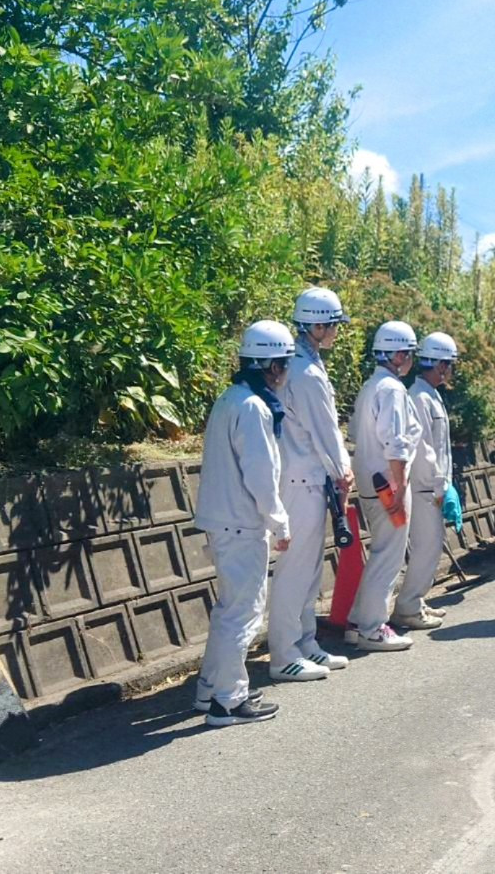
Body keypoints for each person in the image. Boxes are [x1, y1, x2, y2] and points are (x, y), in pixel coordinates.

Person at [192, 320, 293, 726]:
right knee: (243, 613)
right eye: (285, 364)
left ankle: (209, 689)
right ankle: (229, 701)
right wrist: (279, 523)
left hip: (223, 520)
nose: (286, 372)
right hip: (242, 522)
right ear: (271, 366)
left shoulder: (230, 398)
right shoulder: (254, 407)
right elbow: (261, 474)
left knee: (227, 610)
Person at [268, 287, 353, 684]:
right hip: (302, 480)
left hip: (305, 479)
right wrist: (343, 473)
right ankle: (285, 653)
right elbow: (326, 432)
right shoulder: (306, 373)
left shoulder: (302, 364)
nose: (336, 331)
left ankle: (304, 642)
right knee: (296, 570)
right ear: (317, 326)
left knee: (309, 569)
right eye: (333, 324)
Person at [346, 320, 423, 651]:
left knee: (381, 551)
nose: (411, 360)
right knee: (388, 556)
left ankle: (357, 621)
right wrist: (401, 486)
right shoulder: (392, 389)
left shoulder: (370, 386)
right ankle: (372, 627)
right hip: (388, 483)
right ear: (399, 355)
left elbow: (354, 432)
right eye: (409, 354)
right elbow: (396, 442)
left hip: (370, 481)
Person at [399, 331, 462, 631]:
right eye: (449, 364)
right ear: (440, 365)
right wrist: (439, 485)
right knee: (426, 548)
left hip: (431, 486)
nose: (450, 370)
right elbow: (423, 448)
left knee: (431, 548)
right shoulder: (419, 397)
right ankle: (408, 607)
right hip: (424, 486)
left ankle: (416, 600)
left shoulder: (430, 395)